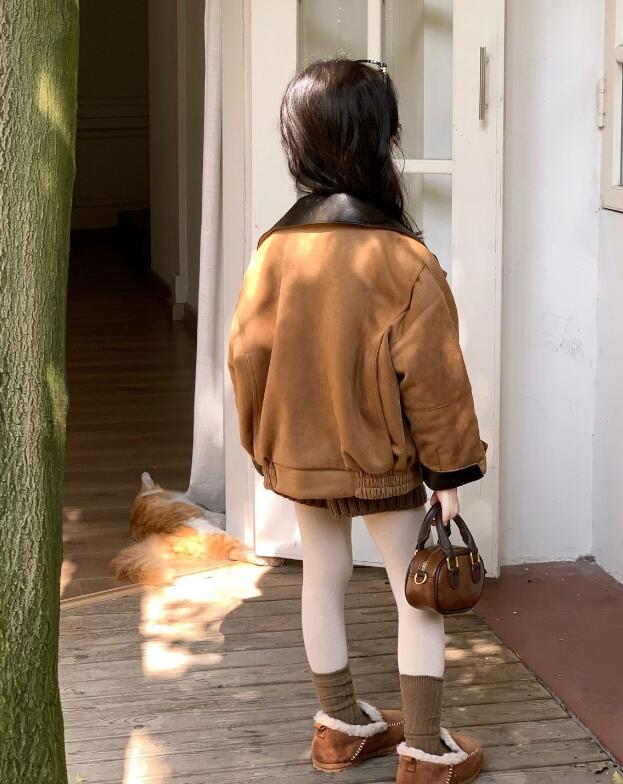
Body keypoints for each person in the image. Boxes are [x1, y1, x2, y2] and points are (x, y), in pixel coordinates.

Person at [228, 58, 487, 784]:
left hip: (302, 454)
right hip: (383, 460)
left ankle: (338, 725)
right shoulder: (403, 259)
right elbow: (435, 380)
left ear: (299, 144)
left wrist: (266, 447)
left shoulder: (271, 252)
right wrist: (448, 474)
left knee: (321, 573)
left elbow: (245, 358)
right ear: (381, 140)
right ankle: (425, 750)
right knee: (417, 590)